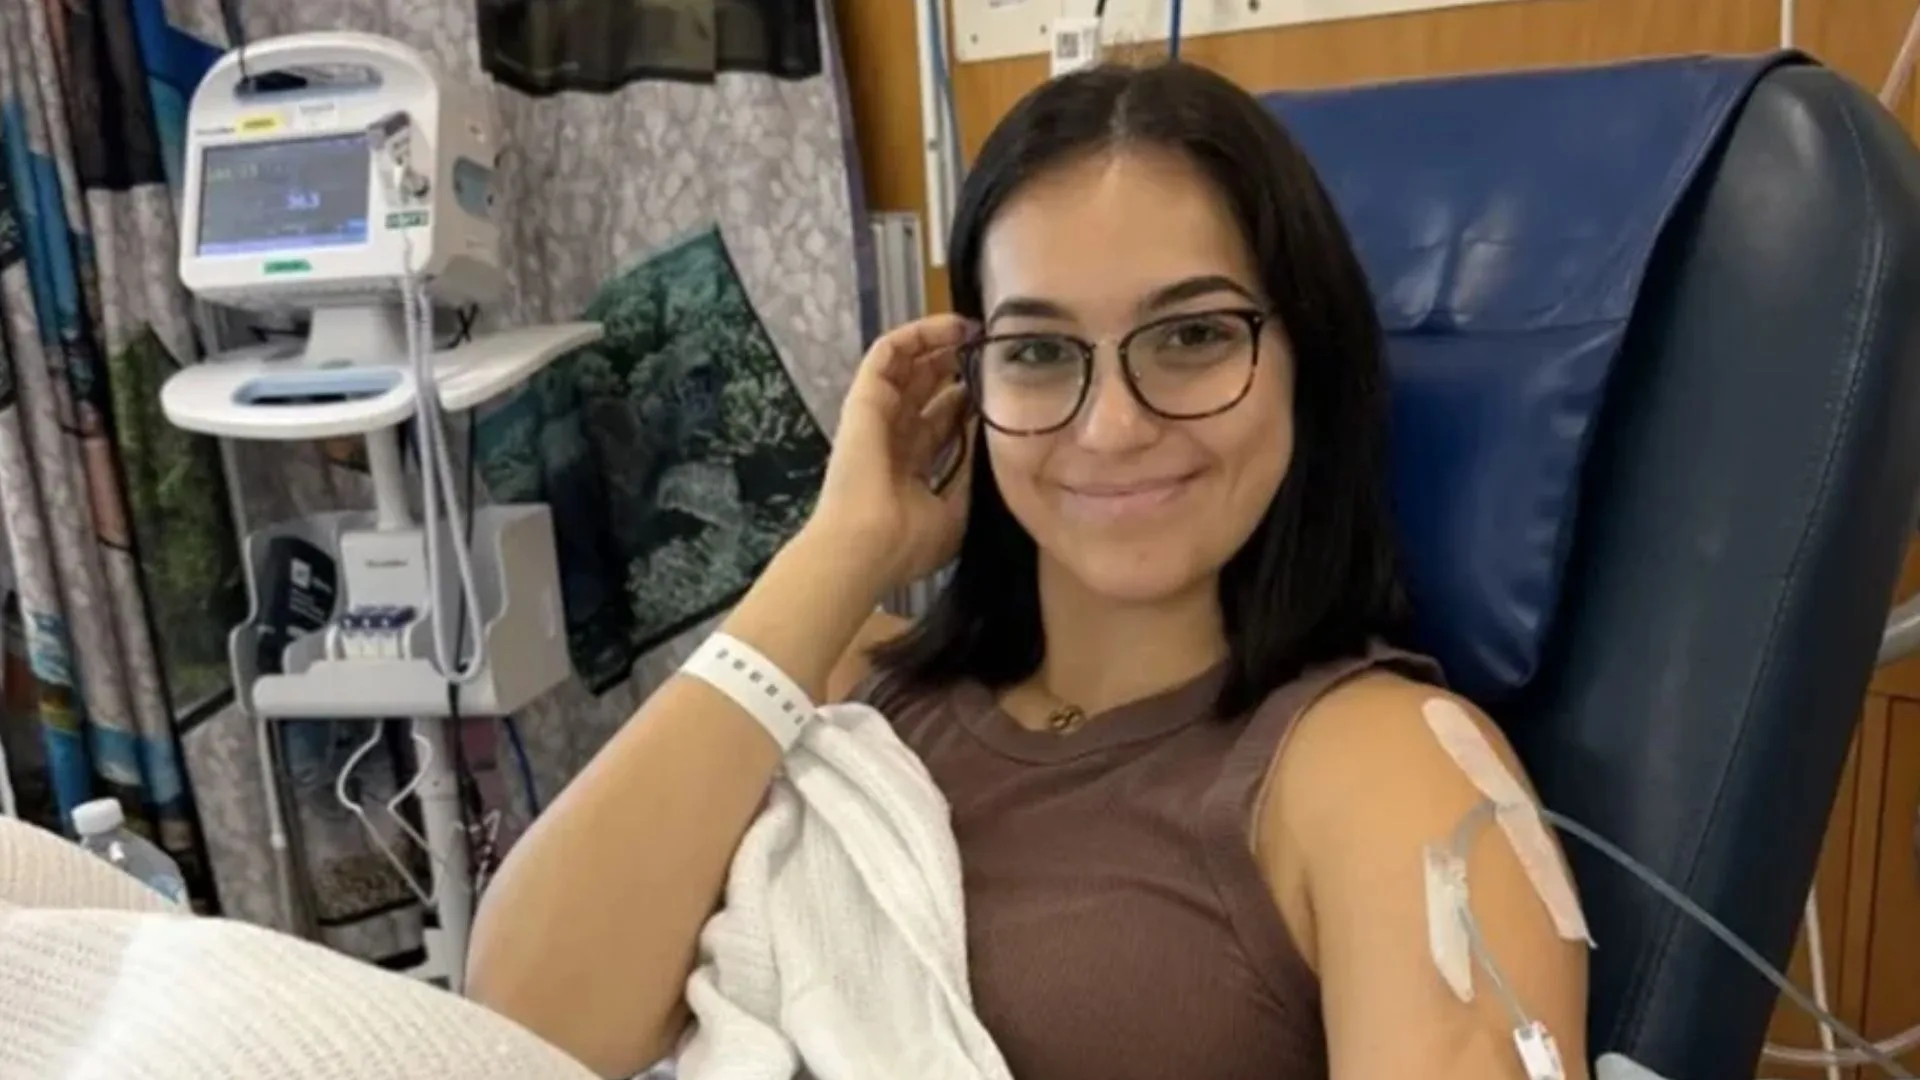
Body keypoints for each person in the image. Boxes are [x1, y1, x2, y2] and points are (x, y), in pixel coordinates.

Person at [467, 60, 1589, 1080]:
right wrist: (839, 549)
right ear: (974, 384)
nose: (1111, 427)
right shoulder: (847, 680)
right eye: (1040, 352)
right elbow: (522, 1028)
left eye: (1193, 336)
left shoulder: (1387, 770)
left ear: (1309, 359)